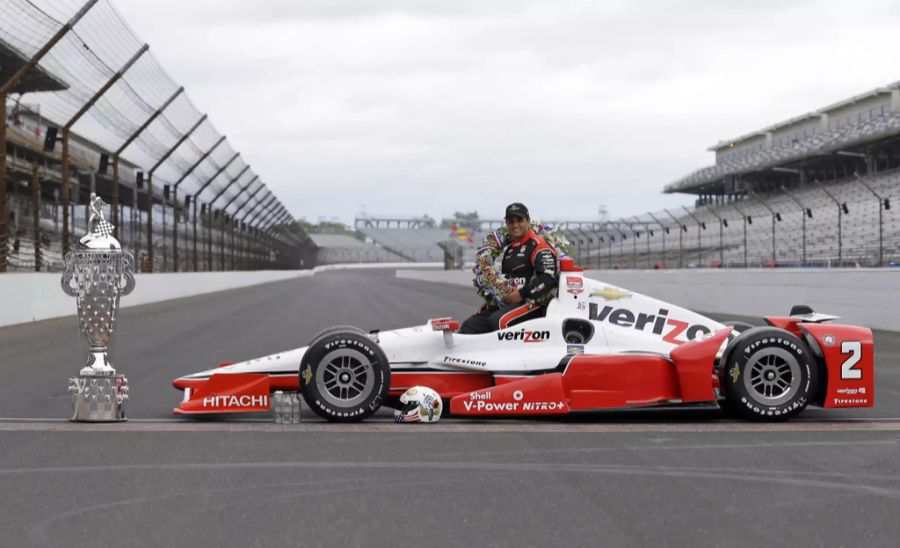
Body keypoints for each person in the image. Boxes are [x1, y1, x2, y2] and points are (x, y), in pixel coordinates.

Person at [459, 203, 559, 334]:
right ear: (506, 223)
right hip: (510, 302)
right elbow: (506, 280)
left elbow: (548, 278)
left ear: (528, 221)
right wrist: (494, 301)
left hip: (533, 303)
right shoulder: (510, 249)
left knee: (499, 322)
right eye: (511, 221)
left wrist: (522, 294)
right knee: (471, 325)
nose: (515, 225)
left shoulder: (538, 245)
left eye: (519, 220)